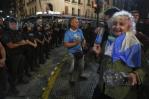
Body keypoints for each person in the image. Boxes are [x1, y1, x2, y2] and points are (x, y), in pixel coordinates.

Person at [95, 11, 145, 99]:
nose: (117, 26)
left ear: (129, 27)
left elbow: (144, 68)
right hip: (102, 88)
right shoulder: (106, 42)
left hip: (121, 93)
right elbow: (102, 62)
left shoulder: (134, 45)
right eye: (114, 23)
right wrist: (97, 54)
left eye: (121, 24)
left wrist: (135, 75)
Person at [64, 17, 86, 84]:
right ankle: (71, 79)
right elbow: (66, 45)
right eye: (76, 22)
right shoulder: (67, 33)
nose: (78, 23)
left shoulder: (79, 30)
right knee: (71, 68)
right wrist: (75, 43)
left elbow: (83, 39)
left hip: (79, 51)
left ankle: (81, 75)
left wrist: (84, 42)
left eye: (78, 22)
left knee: (82, 66)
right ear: (71, 23)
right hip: (71, 53)